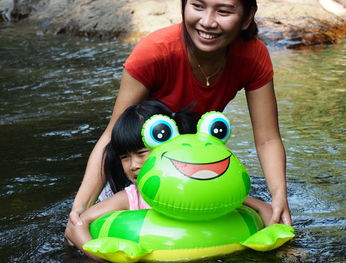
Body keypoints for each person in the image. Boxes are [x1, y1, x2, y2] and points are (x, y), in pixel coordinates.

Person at [67, 0, 292, 230]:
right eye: (197, 6)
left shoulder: (252, 55)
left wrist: (279, 196)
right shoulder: (154, 52)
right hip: (141, 167)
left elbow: (267, 139)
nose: (207, 21)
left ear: (246, 17)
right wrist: (80, 207)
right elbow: (110, 136)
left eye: (223, 11)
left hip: (192, 164)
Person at [65, 100, 274, 259]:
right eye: (124, 157)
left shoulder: (203, 188)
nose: (134, 165)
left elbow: (264, 209)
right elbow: (79, 224)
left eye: (141, 153)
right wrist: (99, 257)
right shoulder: (130, 198)